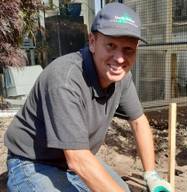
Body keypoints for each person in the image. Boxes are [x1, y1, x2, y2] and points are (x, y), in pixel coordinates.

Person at [4, 2, 172, 192]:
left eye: (128, 50)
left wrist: (152, 176)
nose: (119, 58)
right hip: (33, 163)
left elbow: (139, 122)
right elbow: (78, 160)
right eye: (111, 46)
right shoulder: (65, 79)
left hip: (74, 161)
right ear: (92, 42)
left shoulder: (121, 78)